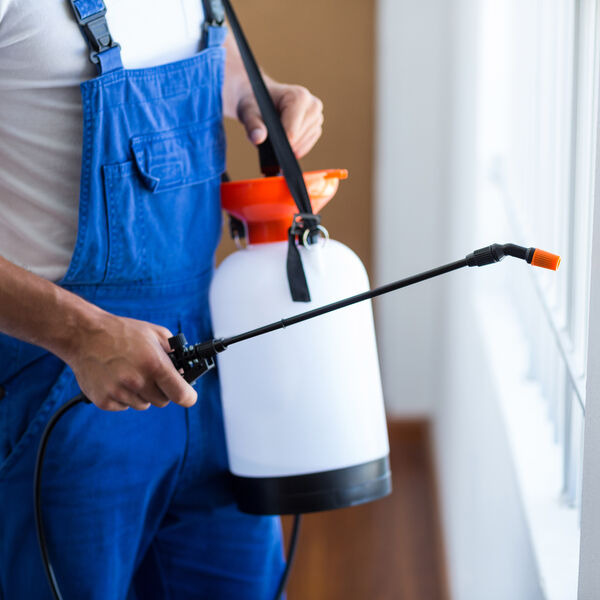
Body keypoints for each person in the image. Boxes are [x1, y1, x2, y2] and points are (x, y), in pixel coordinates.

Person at [0, 0, 324, 598]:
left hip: (210, 375)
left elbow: (198, 54)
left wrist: (255, 95)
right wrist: (81, 334)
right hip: (61, 390)